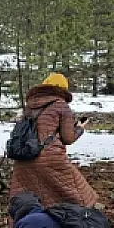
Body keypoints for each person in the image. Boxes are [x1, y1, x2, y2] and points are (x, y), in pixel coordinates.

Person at [8, 72, 96, 208]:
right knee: (79, 193)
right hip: (50, 158)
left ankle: (30, 225)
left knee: (29, 199)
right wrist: (79, 128)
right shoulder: (61, 106)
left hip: (23, 157)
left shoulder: (30, 105)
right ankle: (81, 220)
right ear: (63, 89)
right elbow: (68, 138)